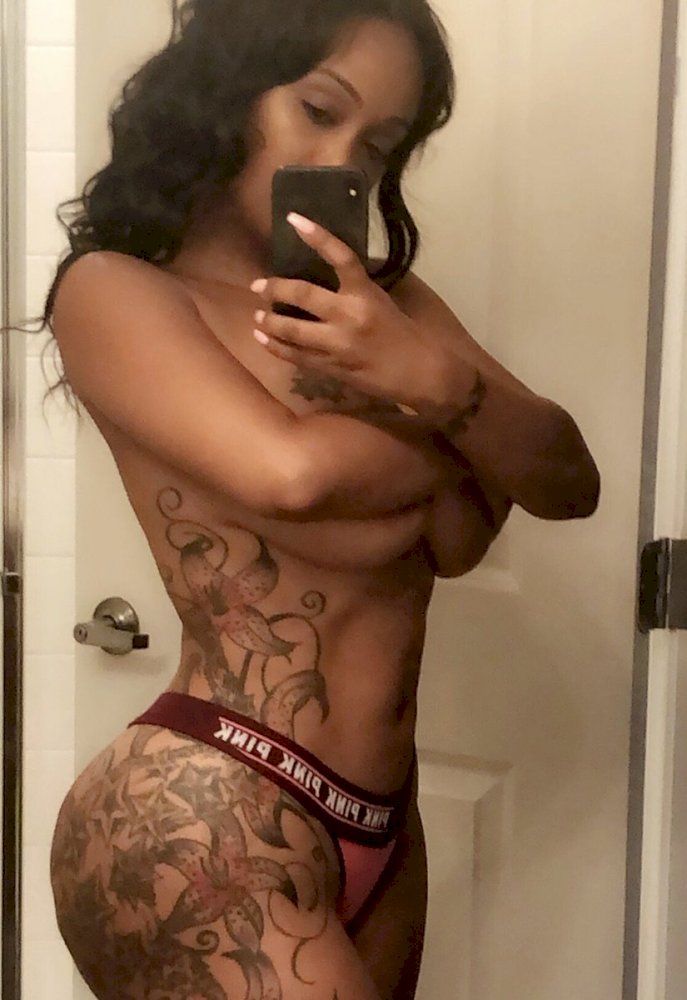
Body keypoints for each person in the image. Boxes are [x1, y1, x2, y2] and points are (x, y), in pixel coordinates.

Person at [46, 1, 600, 998]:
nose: (343, 162)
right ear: (227, 93)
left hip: (384, 822)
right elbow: (289, 474)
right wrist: (450, 416)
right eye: (317, 110)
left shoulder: (391, 311)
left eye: (378, 145)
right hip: (205, 806)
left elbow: (558, 485)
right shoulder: (120, 291)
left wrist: (431, 382)